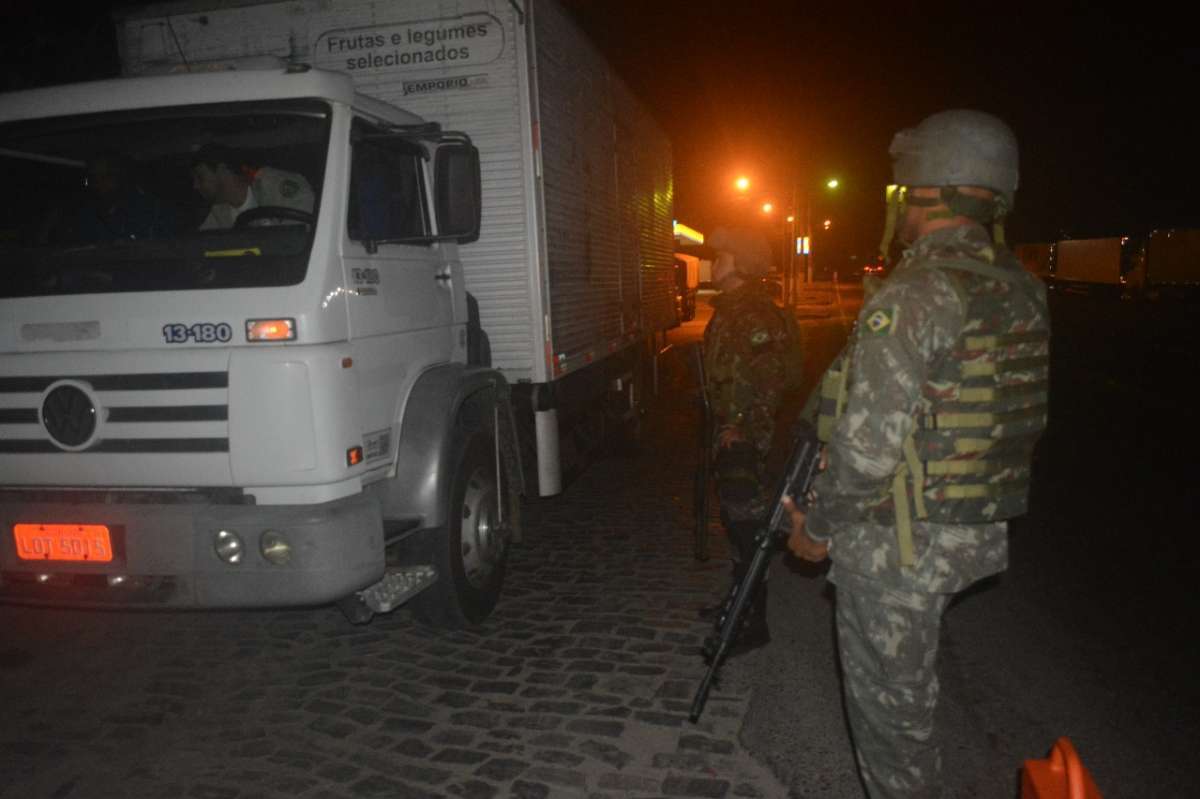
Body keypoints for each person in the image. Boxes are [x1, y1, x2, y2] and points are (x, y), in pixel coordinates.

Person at [783, 109, 1050, 798]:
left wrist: (815, 529)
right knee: (912, 708)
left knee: (893, 733)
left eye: (902, 189)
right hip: (967, 528)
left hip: (893, 545)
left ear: (927, 193)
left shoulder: (915, 293)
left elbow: (867, 452)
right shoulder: (1019, 289)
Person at [699, 226, 803, 656]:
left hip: (748, 438)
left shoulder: (755, 314)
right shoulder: (735, 309)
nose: (714, 262)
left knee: (748, 527)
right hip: (732, 432)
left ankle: (751, 620)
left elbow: (771, 381)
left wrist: (742, 426)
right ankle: (738, 602)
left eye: (722, 256)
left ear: (741, 264)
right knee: (739, 522)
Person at [190, 144, 314, 230]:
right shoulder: (218, 213)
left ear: (222, 170)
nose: (195, 186)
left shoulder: (275, 186)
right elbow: (201, 248)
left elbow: (304, 233)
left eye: (200, 177)